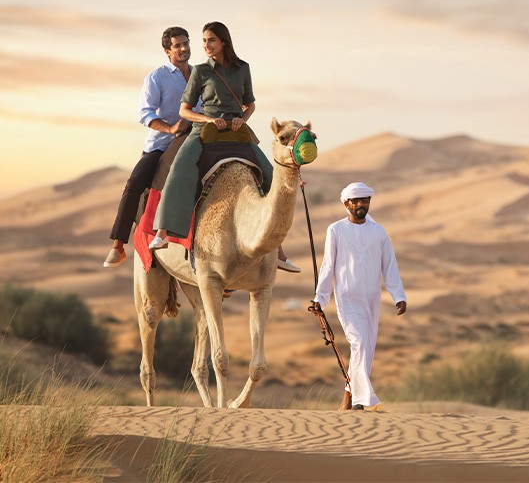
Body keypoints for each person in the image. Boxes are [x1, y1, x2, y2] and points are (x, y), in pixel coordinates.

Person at [149, 21, 299, 273]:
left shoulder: (243, 69)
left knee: (272, 174)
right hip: (205, 129)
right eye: (204, 41)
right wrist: (208, 119)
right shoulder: (200, 71)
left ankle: (279, 251)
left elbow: (250, 104)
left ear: (224, 42)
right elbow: (184, 110)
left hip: (236, 130)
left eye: (211, 40)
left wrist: (243, 118)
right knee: (180, 167)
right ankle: (162, 232)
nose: (205, 46)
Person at [311, 182, 407, 411]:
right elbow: (327, 266)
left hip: (371, 299)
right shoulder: (336, 230)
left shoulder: (379, 232)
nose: (362, 204)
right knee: (360, 342)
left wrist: (398, 295)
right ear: (346, 204)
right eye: (357, 201)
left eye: (365, 200)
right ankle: (362, 401)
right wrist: (320, 297)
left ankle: (348, 399)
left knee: (365, 351)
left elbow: (389, 266)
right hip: (347, 297)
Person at [103, 27, 193, 268]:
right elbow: (145, 114)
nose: (184, 48)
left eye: (186, 43)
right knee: (134, 183)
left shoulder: (200, 75)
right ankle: (118, 245)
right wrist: (171, 128)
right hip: (162, 145)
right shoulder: (157, 77)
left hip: (195, 141)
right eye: (177, 45)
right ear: (167, 51)